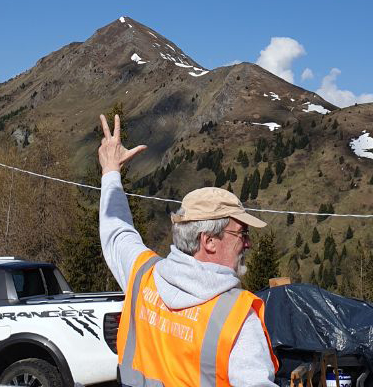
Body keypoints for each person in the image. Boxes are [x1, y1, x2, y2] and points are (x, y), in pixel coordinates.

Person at [98, 114, 279, 386]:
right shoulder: (237, 320)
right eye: (241, 233)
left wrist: (111, 170)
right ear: (209, 241)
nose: (248, 243)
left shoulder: (143, 275)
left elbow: (116, 232)